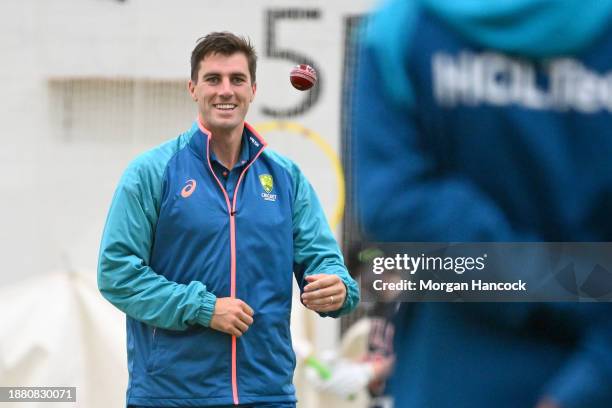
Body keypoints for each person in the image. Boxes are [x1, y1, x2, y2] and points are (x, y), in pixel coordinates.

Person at [352, 1, 612, 407]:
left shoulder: (405, 30)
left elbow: (398, 208)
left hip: (453, 369)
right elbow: (397, 208)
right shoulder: (404, 30)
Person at [97, 31, 359, 408]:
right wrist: (202, 308)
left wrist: (337, 289)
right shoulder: (151, 172)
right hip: (171, 395)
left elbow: (325, 263)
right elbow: (116, 274)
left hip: (267, 394)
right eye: (213, 79)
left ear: (253, 89)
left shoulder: (286, 177)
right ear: (192, 88)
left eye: (237, 79)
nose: (226, 90)